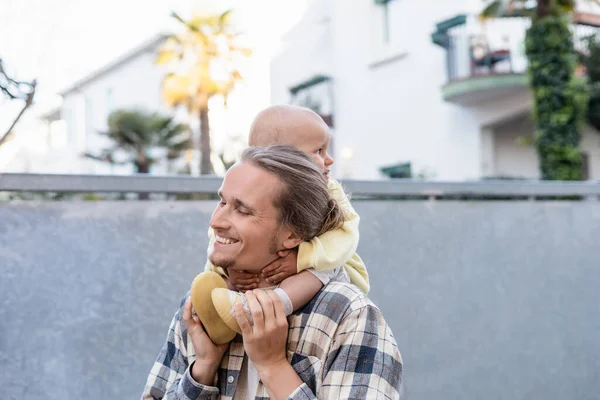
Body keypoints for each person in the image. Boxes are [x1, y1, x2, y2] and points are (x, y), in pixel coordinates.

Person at [141, 145, 403, 399]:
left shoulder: (348, 316)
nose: (215, 221)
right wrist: (202, 369)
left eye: (242, 210)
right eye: (221, 202)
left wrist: (274, 367)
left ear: (293, 234)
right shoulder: (201, 309)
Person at [205, 105, 370, 339]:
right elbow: (218, 236)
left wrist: (302, 259)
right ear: (282, 157)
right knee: (214, 278)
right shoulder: (245, 185)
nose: (329, 159)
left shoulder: (331, 190)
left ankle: (274, 306)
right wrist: (227, 270)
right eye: (319, 151)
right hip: (266, 274)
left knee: (319, 271)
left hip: (327, 263)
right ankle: (219, 309)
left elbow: (344, 237)